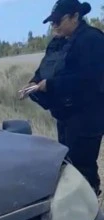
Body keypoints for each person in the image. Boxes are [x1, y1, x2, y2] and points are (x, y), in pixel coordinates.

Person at [19, 0, 104, 196]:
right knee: (68, 166)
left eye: (58, 21)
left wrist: (50, 85)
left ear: (75, 17)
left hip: (87, 118)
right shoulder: (59, 42)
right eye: (52, 22)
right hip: (65, 117)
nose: (54, 26)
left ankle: (90, 204)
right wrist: (33, 83)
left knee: (82, 168)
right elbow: (45, 69)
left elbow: (89, 80)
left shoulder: (92, 40)